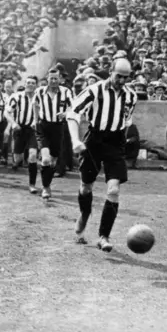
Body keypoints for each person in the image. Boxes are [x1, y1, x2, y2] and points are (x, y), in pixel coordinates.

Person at [66, 58, 138, 252]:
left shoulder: (131, 96)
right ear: (110, 71)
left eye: (126, 78)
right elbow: (72, 114)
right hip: (94, 141)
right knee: (86, 187)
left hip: (115, 143)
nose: (122, 81)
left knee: (113, 190)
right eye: (118, 76)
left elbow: (127, 120)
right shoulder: (93, 91)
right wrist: (75, 140)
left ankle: (103, 236)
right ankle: (85, 213)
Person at [32, 69, 73, 200]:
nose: (54, 81)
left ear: (60, 79)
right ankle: (46, 187)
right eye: (51, 78)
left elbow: (73, 106)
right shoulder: (39, 91)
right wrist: (35, 119)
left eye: (56, 78)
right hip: (43, 127)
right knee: (45, 159)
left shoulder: (66, 91)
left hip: (58, 127)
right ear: (47, 79)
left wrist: (66, 113)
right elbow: (35, 105)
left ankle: (47, 182)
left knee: (53, 161)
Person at [8, 75, 39, 194]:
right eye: (28, 82)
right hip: (19, 128)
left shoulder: (39, 97)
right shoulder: (16, 97)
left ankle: (32, 184)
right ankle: (17, 161)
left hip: (32, 129)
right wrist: (13, 123)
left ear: (36, 85)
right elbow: (7, 112)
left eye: (33, 83)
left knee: (32, 156)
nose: (30, 85)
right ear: (25, 84)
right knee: (18, 158)